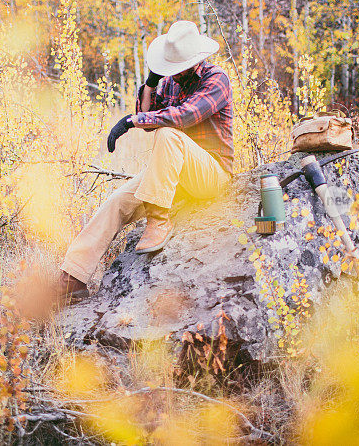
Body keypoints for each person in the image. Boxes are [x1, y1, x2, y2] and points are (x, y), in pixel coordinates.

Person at [57, 20, 234, 303]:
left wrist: (131, 121)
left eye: (175, 67)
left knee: (168, 133)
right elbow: (149, 117)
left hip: (212, 174)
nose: (171, 73)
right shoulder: (172, 81)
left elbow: (183, 116)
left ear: (194, 61)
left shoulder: (216, 79)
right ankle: (72, 279)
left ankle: (159, 219)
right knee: (117, 202)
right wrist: (151, 83)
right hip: (174, 174)